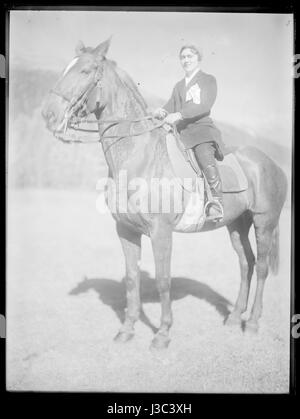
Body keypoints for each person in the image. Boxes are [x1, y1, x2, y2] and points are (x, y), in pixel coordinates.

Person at [154, 45, 226, 219]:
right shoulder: (179, 85)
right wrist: (162, 111)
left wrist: (179, 114)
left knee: (203, 156)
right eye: (183, 57)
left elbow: (204, 105)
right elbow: (171, 104)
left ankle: (216, 202)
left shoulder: (208, 79)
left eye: (190, 56)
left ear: (198, 58)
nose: (186, 60)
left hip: (201, 131)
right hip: (181, 133)